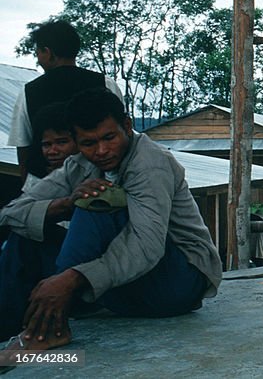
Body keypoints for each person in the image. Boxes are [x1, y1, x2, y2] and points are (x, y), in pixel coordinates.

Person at [0, 88, 222, 351]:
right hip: (128, 286)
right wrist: (65, 204)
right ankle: (11, 330)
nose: (102, 150)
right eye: (89, 143)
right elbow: (11, 212)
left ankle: (51, 328)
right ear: (76, 141)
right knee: (25, 240)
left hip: (178, 283)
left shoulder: (150, 163)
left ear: (127, 126)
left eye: (109, 137)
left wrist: (71, 278)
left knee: (94, 201)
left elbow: (146, 244)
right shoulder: (79, 164)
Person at [8, 20, 123, 184]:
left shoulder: (29, 91)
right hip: (99, 184)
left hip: (46, 184)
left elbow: (23, 145)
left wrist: (28, 190)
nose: (39, 59)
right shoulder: (105, 83)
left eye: (38, 53)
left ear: (47, 52)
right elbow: (122, 133)